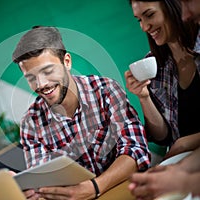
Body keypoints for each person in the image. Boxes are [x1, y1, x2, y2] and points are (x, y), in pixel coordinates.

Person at [12, 26, 151, 200]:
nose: (41, 84)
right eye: (31, 78)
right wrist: (35, 192)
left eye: (47, 71)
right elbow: (45, 184)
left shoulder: (106, 91)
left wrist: (95, 187)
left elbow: (136, 150)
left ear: (67, 62)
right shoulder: (30, 124)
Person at [128, 0, 200, 199]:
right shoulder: (156, 64)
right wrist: (143, 97)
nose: (144, 27)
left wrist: (185, 143)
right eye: (139, 20)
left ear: (174, 7)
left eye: (149, 15)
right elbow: (163, 136)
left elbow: (177, 144)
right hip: (181, 163)